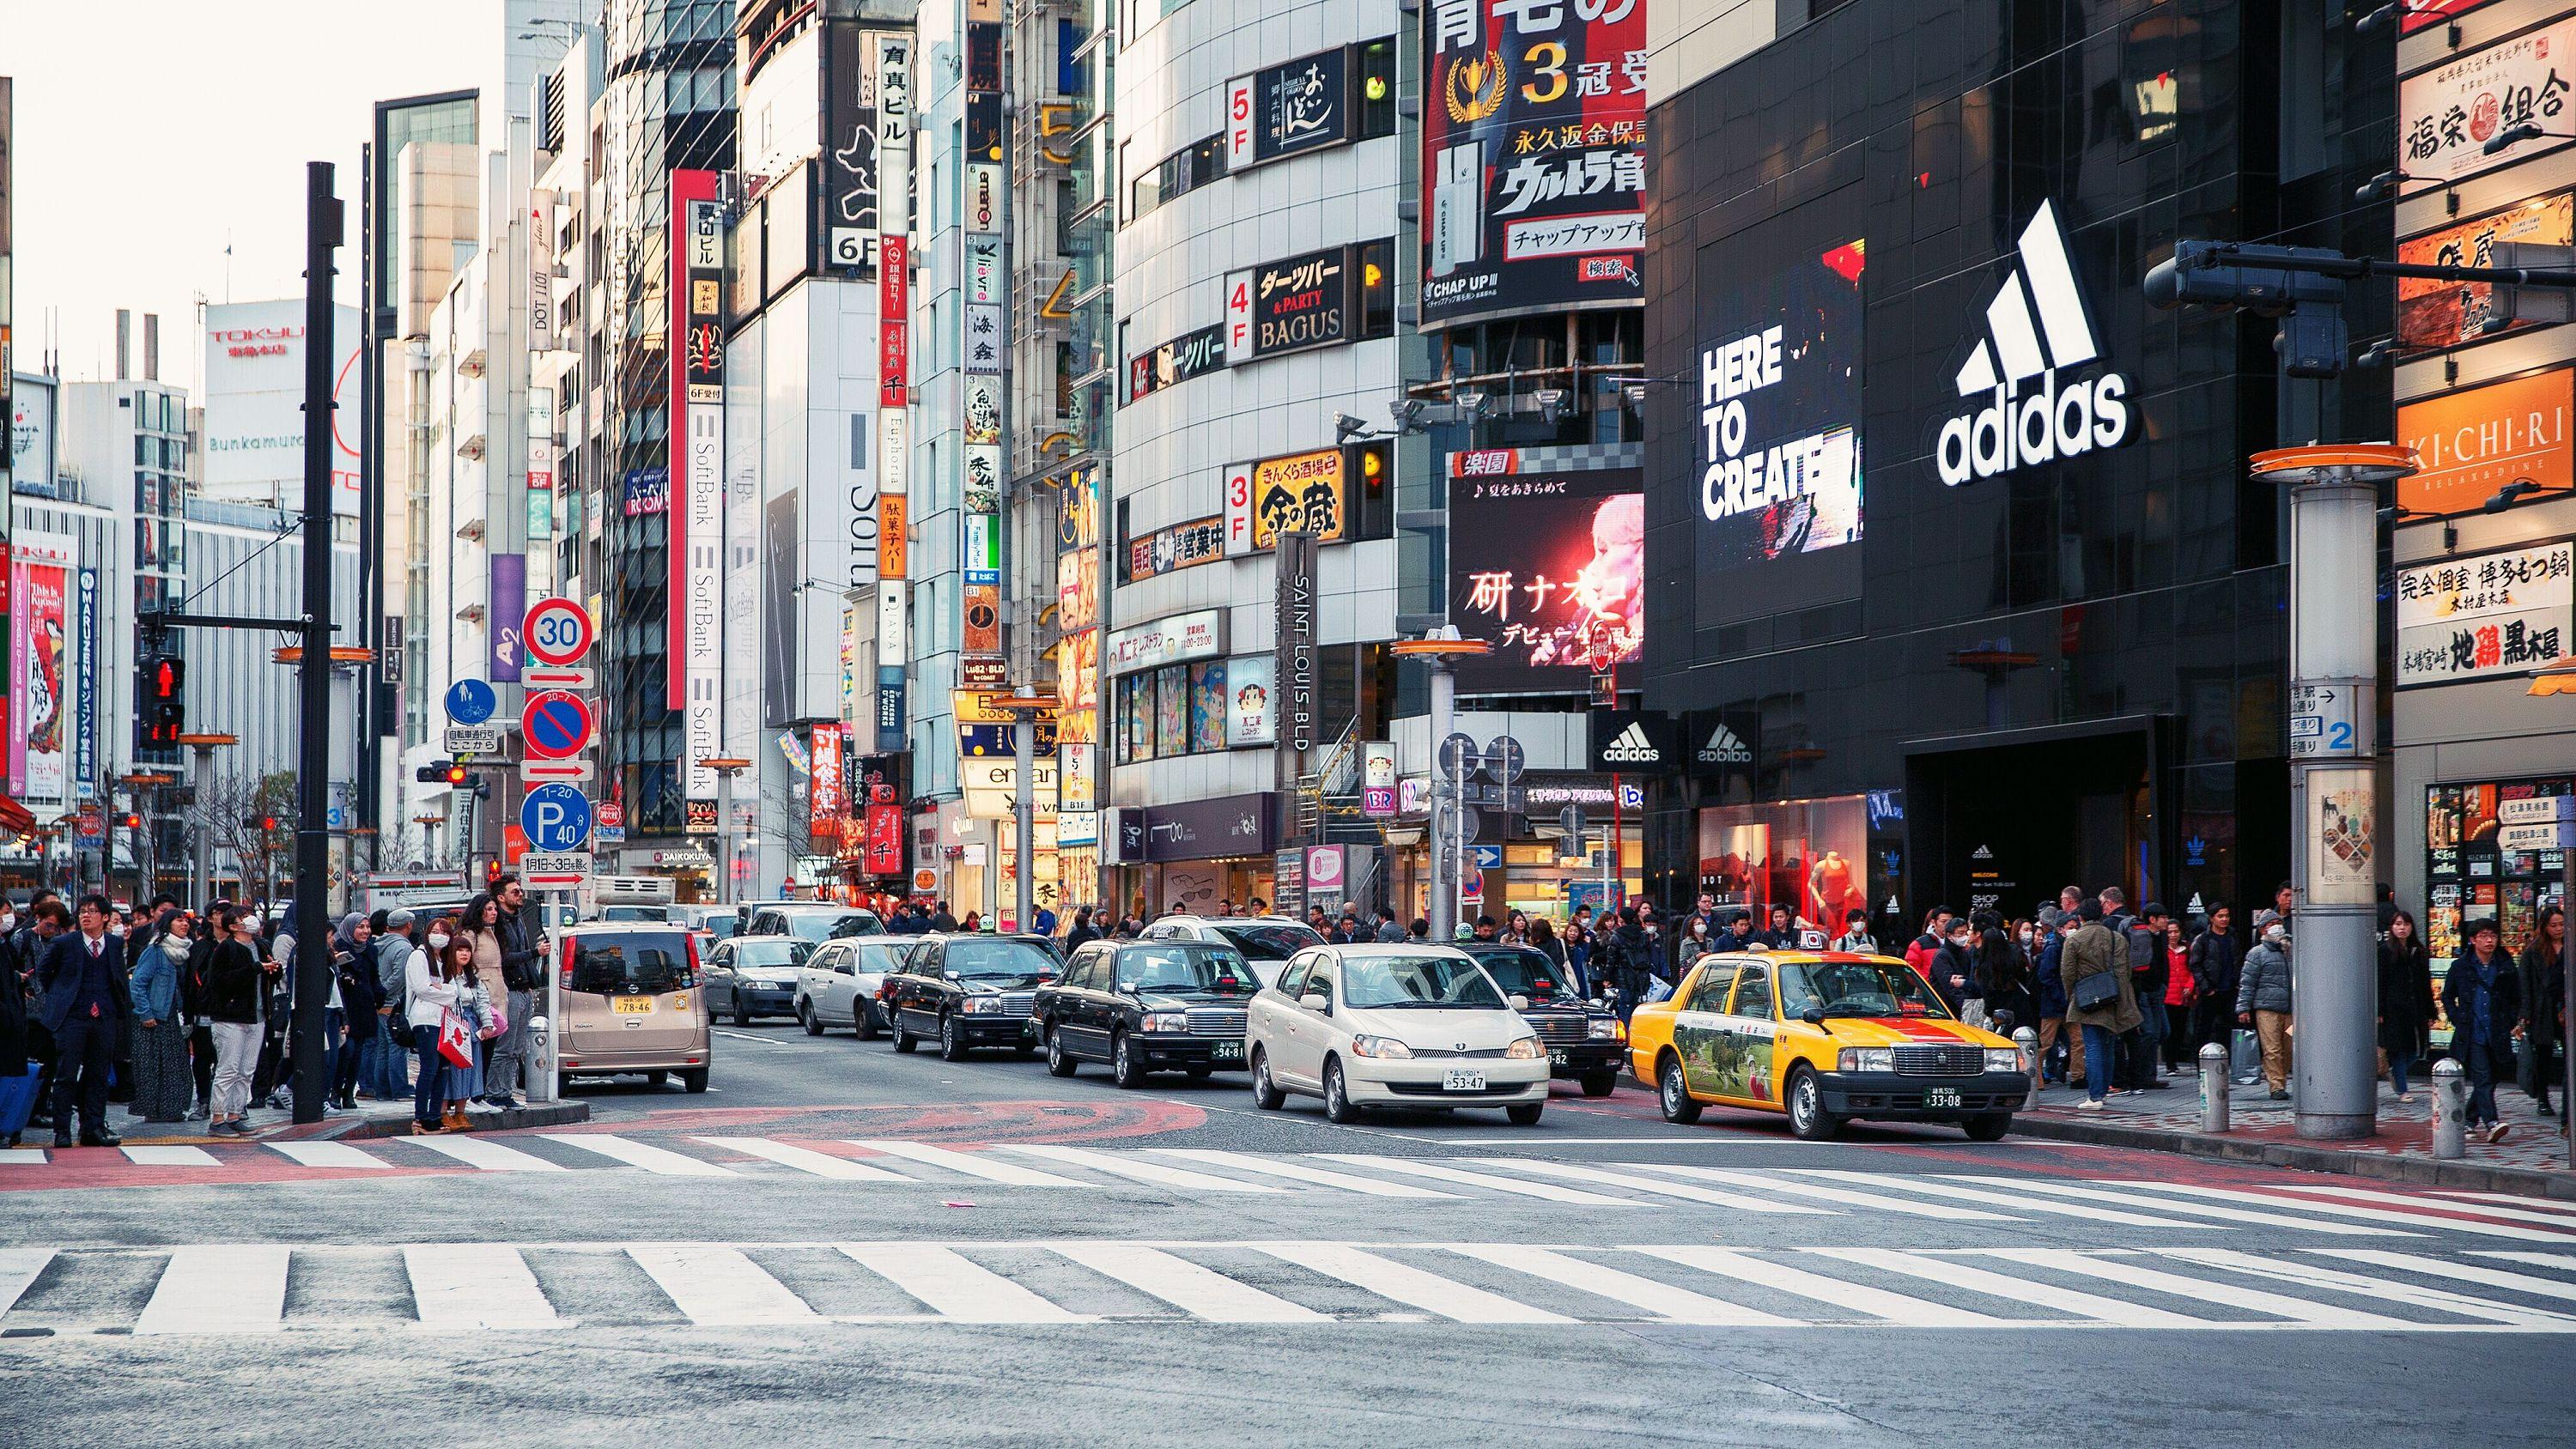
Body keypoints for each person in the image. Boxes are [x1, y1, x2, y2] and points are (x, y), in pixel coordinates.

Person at [37, 896, 134, 1149]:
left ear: (105, 917)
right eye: (82, 912)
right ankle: (62, 1131)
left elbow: (119, 978)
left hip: (103, 1017)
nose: (86, 916)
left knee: (98, 1075)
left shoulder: (113, 944)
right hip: (72, 1018)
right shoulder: (64, 943)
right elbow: (44, 972)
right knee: (66, 1075)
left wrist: (117, 1009)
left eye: (92, 911)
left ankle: (92, 1127)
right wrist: (61, 996)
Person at [2442, 918, 2522, 1144]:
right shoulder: (2461, 966)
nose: (2489, 941)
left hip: (2497, 1030)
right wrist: (2457, 1017)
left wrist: (2510, 1019)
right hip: (2472, 1031)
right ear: (2473, 940)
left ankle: (2468, 1120)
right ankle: (2492, 1123)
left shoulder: (2505, 965)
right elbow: (2447, 995)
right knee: (2482, 1076)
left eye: (2493, 936)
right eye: (2484, 936)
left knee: (2492, 1077)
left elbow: (2516, 997)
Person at [2060, 900, 2138, 1109]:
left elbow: (2067, 973)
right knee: (2109, 1046)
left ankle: (2094, 1097)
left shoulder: (2074, 940)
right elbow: (2124, 972)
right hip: (2112, 998)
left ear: (2081, 918)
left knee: (2093, 1047)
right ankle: (2102, 1092)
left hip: (2086, 999)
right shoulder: (2116, 938)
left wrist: (2072, 996)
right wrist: (2119, 998)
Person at [204, 906, 270, 1138]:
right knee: (228, 1068)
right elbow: (219, 982)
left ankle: (235, 1113)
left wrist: (273, 970)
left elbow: (266, 976)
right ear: (232, 926)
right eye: (244, 918)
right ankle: (217, 1117)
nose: (251, 920)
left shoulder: (261, 946)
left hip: (257, 1015)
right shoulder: (226, 949)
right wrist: (255, 968)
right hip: (230, 1017)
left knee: (246, 1069)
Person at [126, 911, 192, 1125]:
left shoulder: (182, 951)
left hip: (171, 1015)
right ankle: (153, 1110)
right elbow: (137, 984)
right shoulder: (155, 950)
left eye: (186, 920)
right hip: (152, 1017)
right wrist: (145, 1013)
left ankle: (171, 1109)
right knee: (151, 1066)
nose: (184, 924)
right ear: (167, 924)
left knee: (173, 1064)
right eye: (179, 920)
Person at [487, 876, 539, 1110]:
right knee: (505, 1047)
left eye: (520, 891)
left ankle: (505, 1092)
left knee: (515, 1049)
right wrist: (534, 953)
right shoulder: (499, 923)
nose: (520, 895)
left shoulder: (517, 919)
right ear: (501, 897)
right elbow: (504, 958)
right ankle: (496, 1093)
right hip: (509, 990)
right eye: (515, 892)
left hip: (522, 988)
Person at [404, 921, 458, 1135]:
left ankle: (434, 1116)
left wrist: (443, 989)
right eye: (435, 932)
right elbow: (422, 989)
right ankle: (420, 1117)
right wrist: (447, 992)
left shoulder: (444, 960)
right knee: (430, 1066)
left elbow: (454, 989)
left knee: (443, 1068)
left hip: (444, 1020)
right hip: (425, 1018)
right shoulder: (419, 956)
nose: (439, 936)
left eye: (444, 932)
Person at [2236, 912, 2295, 1100]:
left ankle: (2281, 1077)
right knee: (2272, 1048)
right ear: (2263, 929)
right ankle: (2276, 1085)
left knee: (2289, 1048)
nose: (2277, 926)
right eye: (2272, 923)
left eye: (2279, 922)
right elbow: (2247, 982)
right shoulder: (2257, 953)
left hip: (2291, 1009)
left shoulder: (2291, 949)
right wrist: (2243, 1008)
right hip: (2266, 1008)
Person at [2378, 909, 2433, 1103]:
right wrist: (2380, 1010)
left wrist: (2430, 1009)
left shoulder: (2418, 951)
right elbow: (2381, 981)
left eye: (2406, 924)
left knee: (2417, 1050)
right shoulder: (2385, 951)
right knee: (2399, 1048)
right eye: (2398, 924)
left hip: (2415, 1006)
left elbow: (2425, 982)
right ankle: (2403, 1089)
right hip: (2394, 1008)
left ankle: (2395, 1072)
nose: (2402, 928)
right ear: (2392, 928)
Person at [2517, 905, 2566, 1119]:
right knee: (2543, 1056)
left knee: (2569, 1055)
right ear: (2544, 927)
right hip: (2542, 1009)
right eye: (2553, 925)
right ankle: (2543, 1098)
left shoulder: (2569, 946)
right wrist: (2525, 1012)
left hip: (2564, 1006)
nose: (2558, 929)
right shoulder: (2534, 951)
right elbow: (2524, 984)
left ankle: (2568, 1100)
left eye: (2562, 924)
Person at [330, 913, 378, 1111]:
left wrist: (378, 996)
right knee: (345, 1051)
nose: (365, 931)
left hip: (364, 1007)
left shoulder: (371, 950)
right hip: (345, 1006)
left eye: (367, 927)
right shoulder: (339, 947)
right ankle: (335, 1091)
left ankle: (348, 1092)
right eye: (360, 927)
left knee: (357, 1052)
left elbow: (374, 977)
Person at [369, 908, 416, 1104]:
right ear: (408, 925)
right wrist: (385, 992)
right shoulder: (404, 948)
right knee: (398, 1046)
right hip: (394, 1004)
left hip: (379, 1005)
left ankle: (382, 1088)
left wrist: (378, 993)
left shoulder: (378, 943)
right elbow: (399, 977)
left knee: (383, 1047)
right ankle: (399, 1088)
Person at [440, 932, 489, 1127]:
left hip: (470, 1027)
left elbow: (483, 1002)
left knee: (468, 1069)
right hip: (450, 1026)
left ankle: (461, 1112)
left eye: (467, 950)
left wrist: (487, 1024)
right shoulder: (444, 975)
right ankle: (443, 1111)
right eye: (460, 950)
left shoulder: (472, 977)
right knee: (448, 1069)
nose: (464, 954)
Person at [2185, 905, 2240, 1072]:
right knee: (2204, 1028)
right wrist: (2206, 987)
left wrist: (2236, 982)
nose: (2224, 919)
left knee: (2227, 1027)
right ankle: (2200, 1066)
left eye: (2226, 915)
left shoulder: (2232, 936)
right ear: (2212, 918)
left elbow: (2237, 959)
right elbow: (2195, 965)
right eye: (2220, 916)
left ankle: (2224, 1065)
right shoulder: (2203, 939)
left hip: (2229, 989)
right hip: (2211, 990)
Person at [2034, 908, 2081, 1085]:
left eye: (2076, 926)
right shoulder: (2054, 948)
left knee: (2078, 1041)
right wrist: (2060, 997)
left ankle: (2078, 1076)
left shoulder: (2070, 945)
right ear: (2061, 929)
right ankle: (2036, 1078)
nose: (2074, 930)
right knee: (2045, 1043)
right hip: (2054, 1004)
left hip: (2067, 1003)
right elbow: (2046, 976)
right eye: (2071, 927)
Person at [1976, 922, 2034, 1034]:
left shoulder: (1985, 967)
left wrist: (1988, 1013)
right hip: (2020, 1008)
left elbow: (1988, 995)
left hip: (2000, 1014)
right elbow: (2024, 978)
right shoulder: (2014, 960)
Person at [2160, 918, 2197, 1071]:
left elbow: (2193, 970)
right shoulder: (2163, 950)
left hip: (2183, 997)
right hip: (2167, 996)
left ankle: (2174, 1059)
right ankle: (2170, 1063)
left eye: (2176, 931)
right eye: (2170, 932)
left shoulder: (2187, 949)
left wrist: (2190, 985)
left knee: (2180, 1030)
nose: (2173, 935)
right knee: (2169, 1031)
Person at [1931, 917, 1978, 1018]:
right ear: (1949, 935)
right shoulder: (1942, 955)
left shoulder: (1965, 953)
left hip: (1963, 1006)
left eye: (1966, 933)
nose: (1964, 936)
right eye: (1960, 933)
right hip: (1946, 1009)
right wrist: (1966, 1007)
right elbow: (1950, 986)